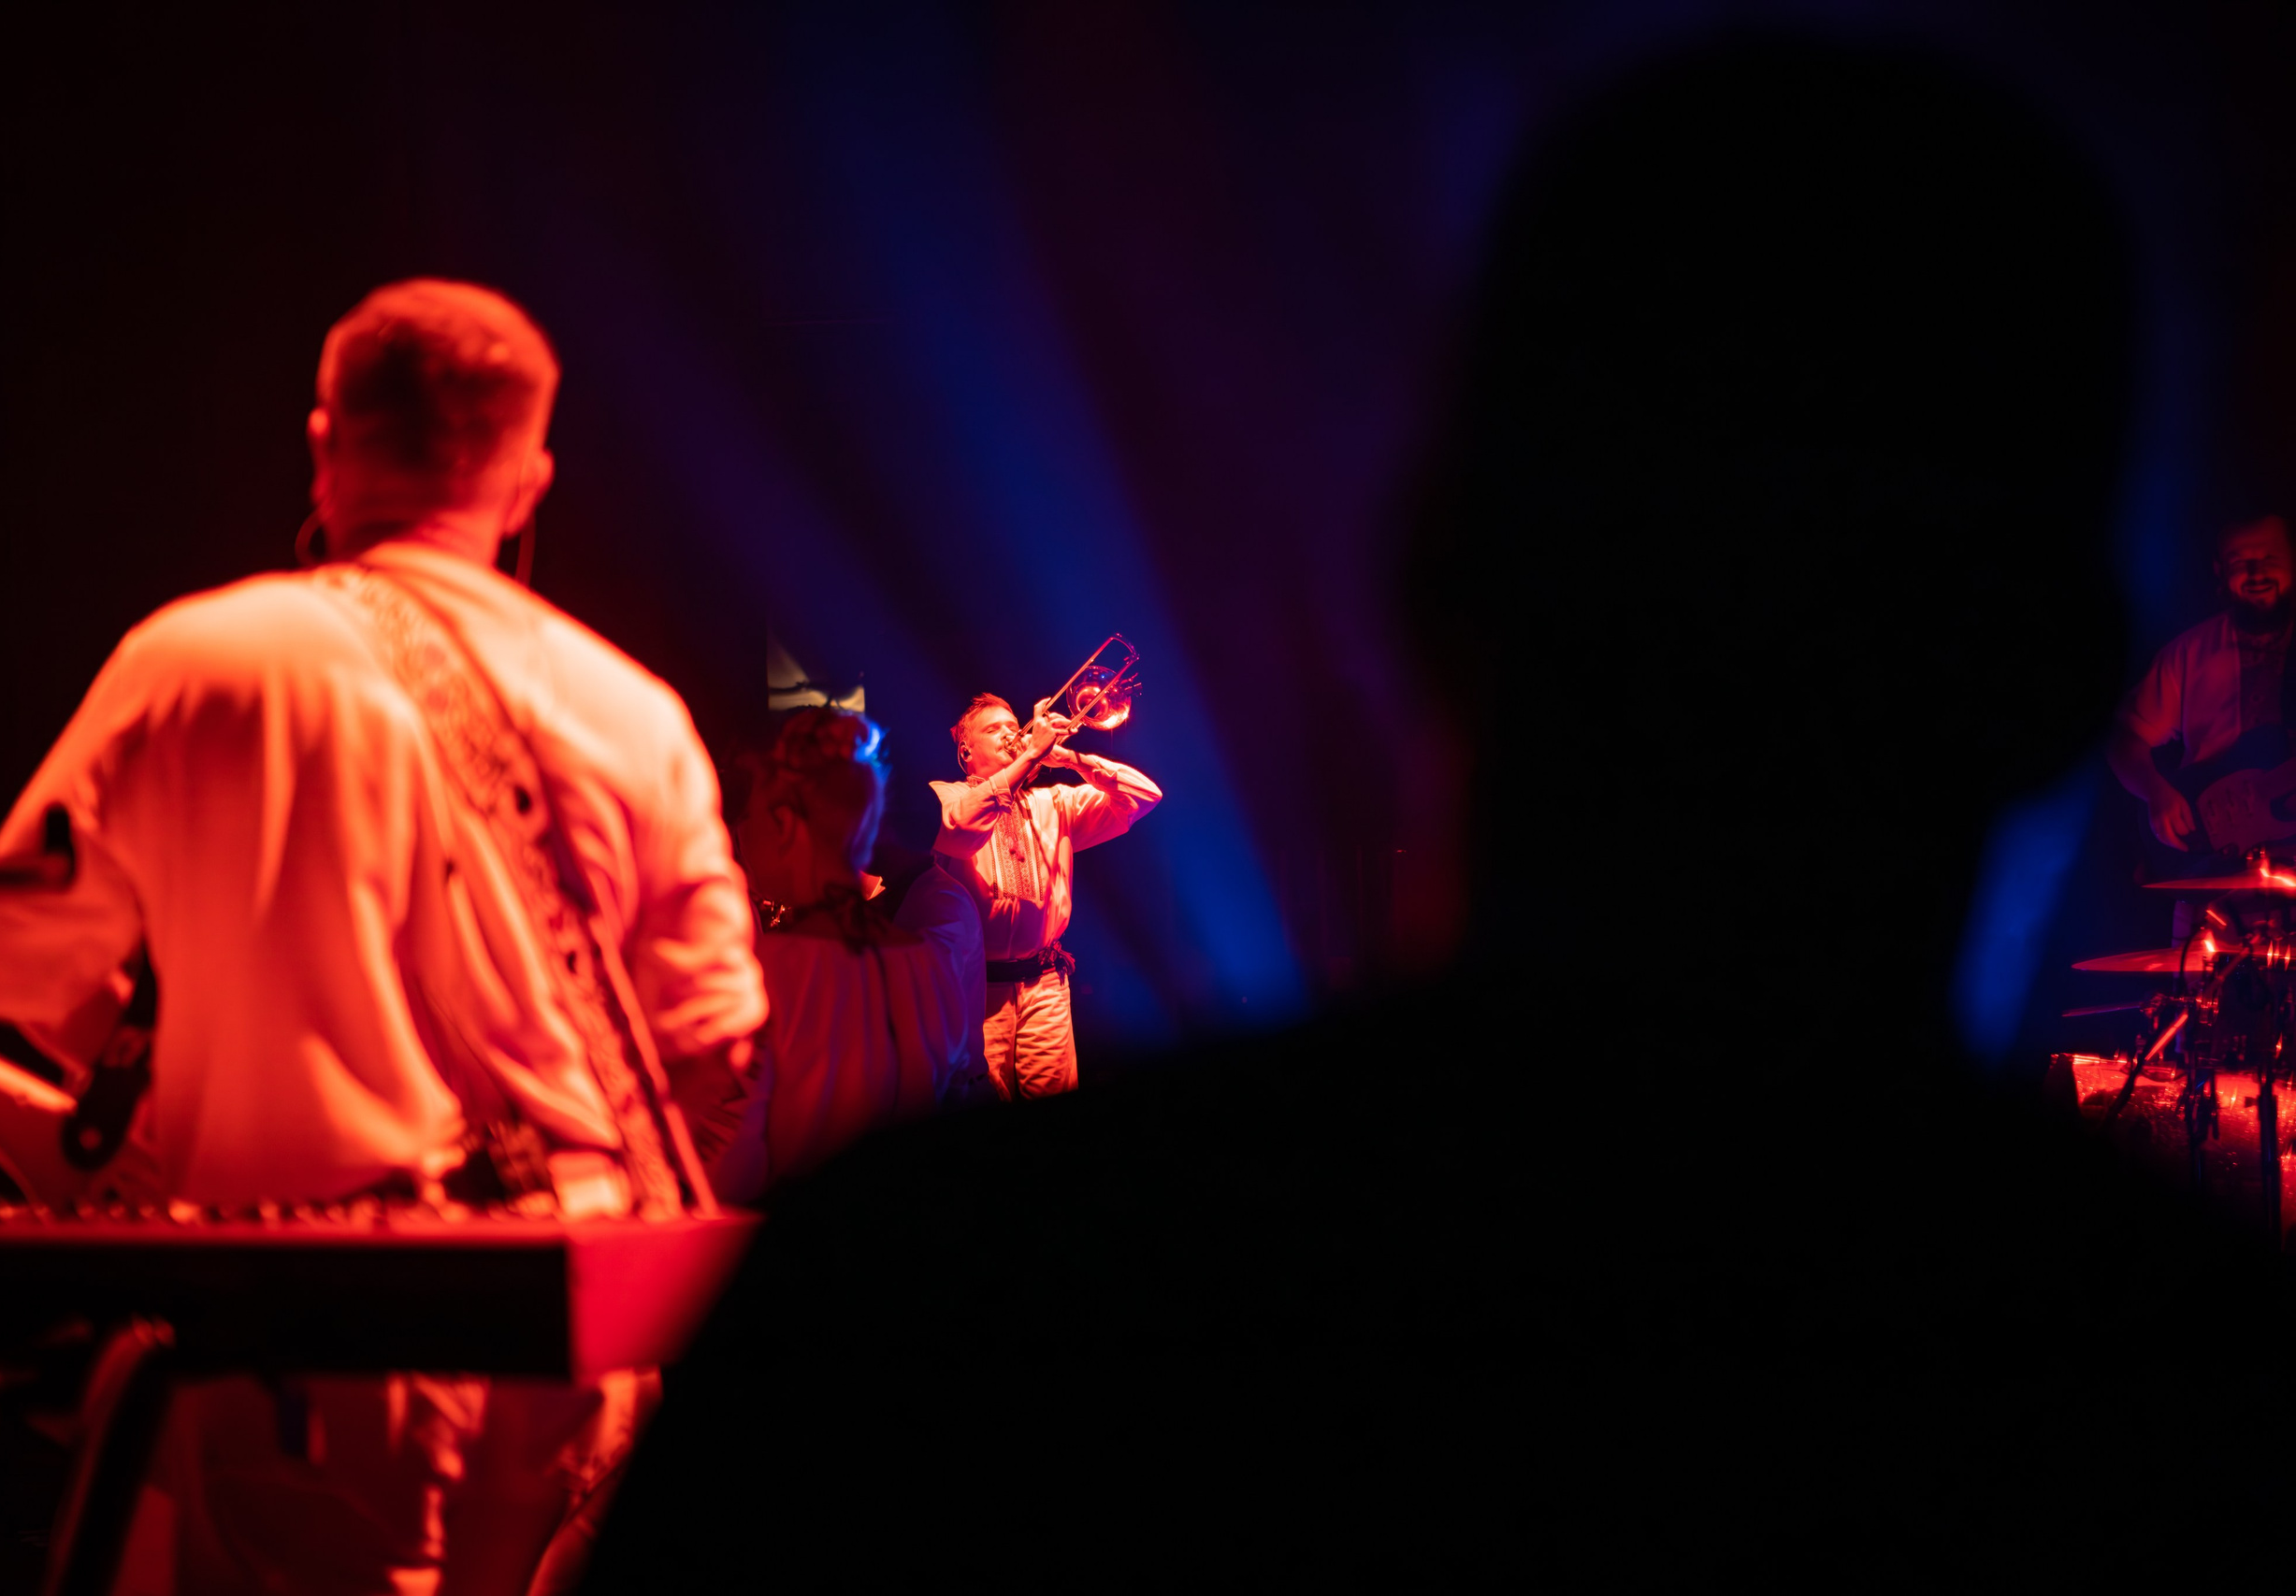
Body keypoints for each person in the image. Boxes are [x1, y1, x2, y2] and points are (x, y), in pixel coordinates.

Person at [586, 38, 2293, 1587]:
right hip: (998, 985)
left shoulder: (929, 1287)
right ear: (2074, 674)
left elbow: (1138, 794)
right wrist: (1018, 748)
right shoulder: (2198, 1379)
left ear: (1433, 585)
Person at [0, 279, 765, 1594]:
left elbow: (3, 958)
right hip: (575, 1308)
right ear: (527, 479)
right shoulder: (633, 705)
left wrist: (165, 1078)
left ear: (326, 441)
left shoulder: (199, 659)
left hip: (317, 1328)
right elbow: (715, 1042)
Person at [679, 707, 987, 1201]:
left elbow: (728, 1173)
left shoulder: (760, 978)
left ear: (783, 824)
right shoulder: (928, 968)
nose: (739, 828)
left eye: (748, 812)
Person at [930, 693, 1161, 1098]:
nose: (1010, 734)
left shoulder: (1052, 802)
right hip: (975, 992)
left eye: (1012, 725)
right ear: (966, 751)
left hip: (1045, 985)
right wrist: (1029, 757)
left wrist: (1070, 760)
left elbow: (1144, 797)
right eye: (993, 729)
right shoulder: (946, 795)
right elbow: (963, 828)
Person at [2107, 512, 2296, 857]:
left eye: (2270, 559)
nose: (2256, 574)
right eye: (2240, 562)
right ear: (2219, 571)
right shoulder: (2188, 653)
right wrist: (2155, 791)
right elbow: (2124, 740)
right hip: (2211, 866)